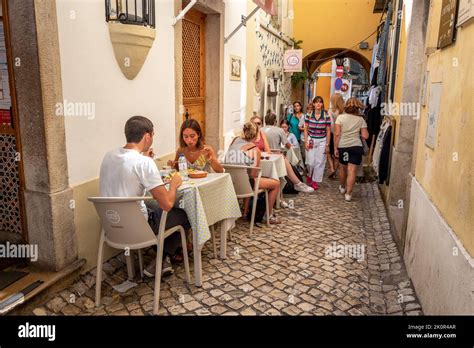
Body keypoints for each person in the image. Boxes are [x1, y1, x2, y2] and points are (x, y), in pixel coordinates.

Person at [99, 116, 189, 277]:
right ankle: (162, 259)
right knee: (182, 213)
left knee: (150, 206)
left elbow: (127, 178)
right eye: (153, 135)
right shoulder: (144, 163)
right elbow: (167, 204)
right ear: (147, 136)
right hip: (139, 229)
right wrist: (174, 184)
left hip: (112, 228)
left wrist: (145, 158)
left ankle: (162, 259)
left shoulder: (109, 156)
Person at [225, 122, 282, 224]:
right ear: (256, 136)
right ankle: (268, 216)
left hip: (230, 183)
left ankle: (245, 211)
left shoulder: (234, 141)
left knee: (245, 177)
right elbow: (253, 175)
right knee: (276, 184)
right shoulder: (255, 150)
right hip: (245, 185)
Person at [254, 114, 314, 193]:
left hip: (262, 156)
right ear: (275, 122)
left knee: (283, 159)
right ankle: (297, 182)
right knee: (284, 159)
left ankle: (296, 183)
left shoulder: (260, 130)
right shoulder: (279, 130)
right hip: (273, 156)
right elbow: (287, 145)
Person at [334, 97, 369, 202]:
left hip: (343, 146)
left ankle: (342, 186)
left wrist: (335, 148)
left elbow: (337, 134)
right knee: (352, 170)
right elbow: (365, 136)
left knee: (343, 168)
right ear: (357, 108)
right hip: (356, 146)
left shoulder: (340, 118)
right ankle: (348, 194)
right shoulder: (361, 120)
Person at [304, 96, 331, 190]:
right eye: (316, 102)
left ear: (322, 104)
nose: (318, 104)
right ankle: (309, 174)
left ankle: (315, 180)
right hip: (311, 140)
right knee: (310, 162)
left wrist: (327, 144)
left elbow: (328, 131)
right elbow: (306, 129)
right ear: (314, 104)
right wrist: (306, 141)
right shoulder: (309, 114)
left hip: (322, 140)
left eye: (320, 102)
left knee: (319, 162)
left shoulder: (326, 115)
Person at [327, 93, 345, 179]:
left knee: (328, 153)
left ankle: (332, 169)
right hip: (342, 135)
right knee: (337, 154)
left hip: (333, 134)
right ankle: (334, 169)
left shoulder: (331, 111)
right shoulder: (344, 111)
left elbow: (331, 125)